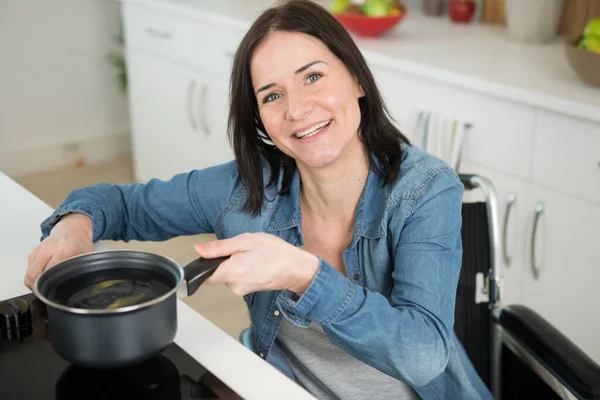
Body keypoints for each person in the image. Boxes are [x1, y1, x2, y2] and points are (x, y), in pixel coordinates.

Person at [24, 1, 493, 399]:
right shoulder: (247, 188)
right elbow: (120, 203)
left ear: (357, 80)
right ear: (260, 119)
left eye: (312, 77)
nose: (296, 109)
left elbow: (424, 353)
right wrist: (74, 226)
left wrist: (302, 275)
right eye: (272, 96)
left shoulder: (425, 190)